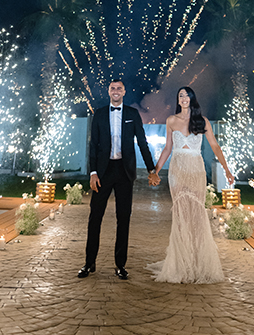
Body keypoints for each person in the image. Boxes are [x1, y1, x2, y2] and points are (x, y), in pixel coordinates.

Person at [148, 86, 234, 283]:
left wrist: (227, 170)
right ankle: (180, 263)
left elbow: (214, 146)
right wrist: (156, 171)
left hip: (196, 170)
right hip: (177, 170)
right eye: (180, 95)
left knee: (196, 214)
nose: (184, 98)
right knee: (180, 213)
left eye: (187, 95)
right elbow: (168, 148)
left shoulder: (201, 121)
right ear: (178, 100)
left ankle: (197, 261)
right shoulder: (171, 120)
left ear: (192, 99)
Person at [78, 79, 159, 280]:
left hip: (124, 172)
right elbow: (93, 145)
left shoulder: (132, 114)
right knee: (95, 217)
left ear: (124, 92)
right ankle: (89, 263)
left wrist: (151, 169)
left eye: (119, 89)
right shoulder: (99, 113)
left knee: (123, 219)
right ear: (109, 91)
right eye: (112, 88)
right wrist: (93, 172)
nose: (115, 91)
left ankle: (120, 265)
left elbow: (142, 142)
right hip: (103, 173)